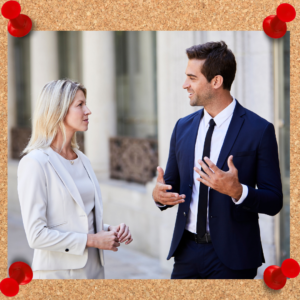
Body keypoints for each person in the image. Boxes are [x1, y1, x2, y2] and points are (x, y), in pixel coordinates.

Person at [152, 41, 283, 279]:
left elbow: (274, 201)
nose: (185, 85)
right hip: (186, 254)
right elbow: (170, 188)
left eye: (192, 78)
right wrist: (159, 196)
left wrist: (238, 191)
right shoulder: (182, 128)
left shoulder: (259, 130)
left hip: (234, 258)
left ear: (216, 81)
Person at [18, 79, 133, 279]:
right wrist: (93, 240)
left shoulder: (84, 161)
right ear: (59, 111)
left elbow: (76, 220)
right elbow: (36, 235)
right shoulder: (35, 163)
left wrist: (108, 231)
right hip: (57, 276)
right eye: (80, 105)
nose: (88, 111)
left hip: (94, 272)